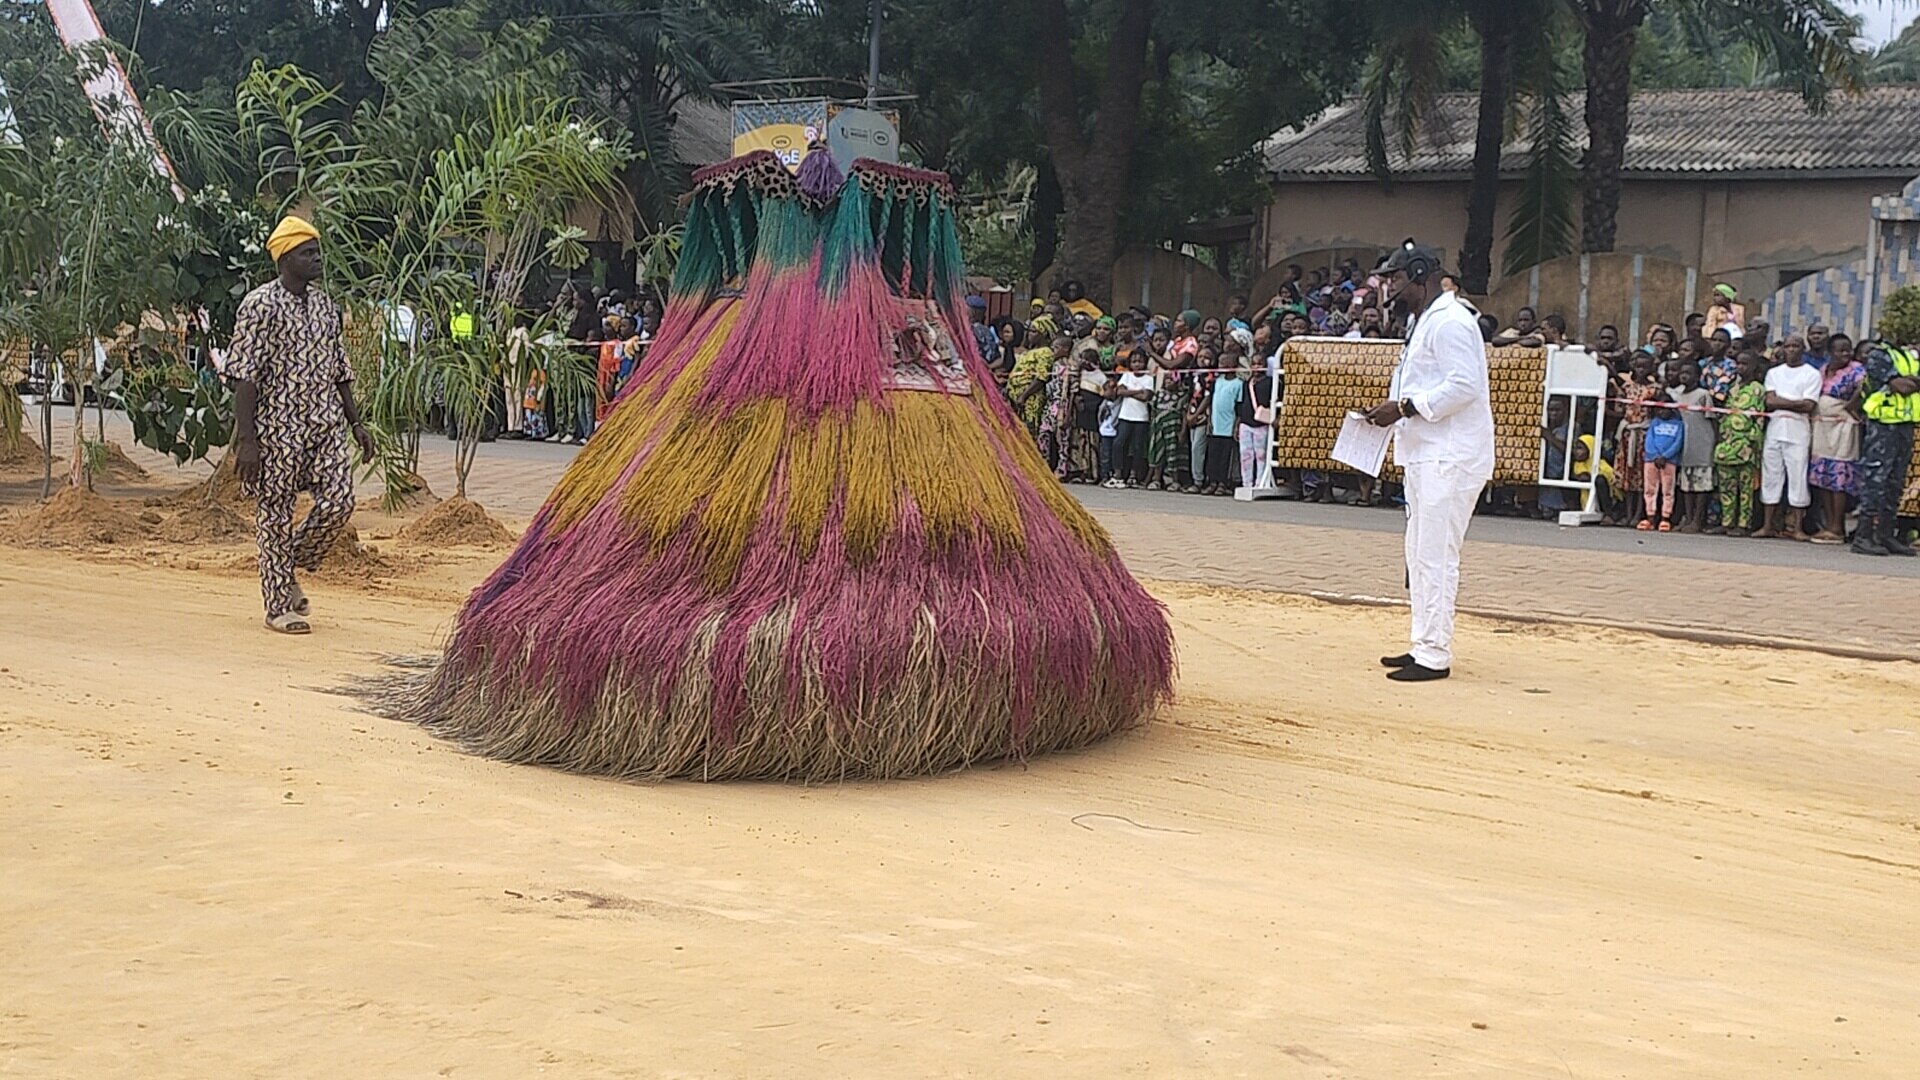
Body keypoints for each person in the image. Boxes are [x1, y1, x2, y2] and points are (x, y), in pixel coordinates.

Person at [228, 216, 376, 635]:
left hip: (325, 425)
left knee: (339, 501)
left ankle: (285, 563)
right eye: (307, 253)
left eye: (317, 252)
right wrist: (248, 440)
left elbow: (340, 369)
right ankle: (278, 607)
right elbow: (243, 377)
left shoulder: (326, 306)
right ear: (285, 258)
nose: (316, 260)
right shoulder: (259, 306)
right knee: (274, 513)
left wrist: (356, 423)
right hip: (276, 428)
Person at [1366, 241, 1494, 683]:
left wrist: (1403, 408)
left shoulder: (1452, 322)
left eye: (1395, 280)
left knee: (1437, 555)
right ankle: (1423, 643)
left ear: (1419, 276)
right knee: (1419, 553)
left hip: (1450, 456)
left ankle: (1435, 655)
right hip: (1426, 453)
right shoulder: (1426, 321)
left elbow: (1464, 386)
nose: (1390, 289)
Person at [1853, 335, 1920, 556]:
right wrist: (1909, 381)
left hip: (1905, 425)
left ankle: (1885, 535)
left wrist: (1911, 381)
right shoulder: (1879, 355)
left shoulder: (1908, 358)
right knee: (1875, 481)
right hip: (1883, 426)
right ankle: (1863, 537)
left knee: (1895, 482)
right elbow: (1901, 386)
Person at [1754, 334, 1820, 540]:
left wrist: (1783, 402)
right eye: (1788, 346)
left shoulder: (1812, 374)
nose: (1791, 350)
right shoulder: (1774, 373)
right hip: (1775, 431)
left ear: (1803, 349)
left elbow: (1808, 405)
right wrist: (1794, 404)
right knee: (1771, 476)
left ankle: (1797, 527)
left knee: (1798, 477)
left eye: (1795, 346)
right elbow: (1770, 402)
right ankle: (1768, 525)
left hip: (1798, 432)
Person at [1807, 334, 1864, 544]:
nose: (1845, 354)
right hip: (1823, 425)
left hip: (1842, 426)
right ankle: (1829, 525)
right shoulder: (1824, 369)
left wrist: (1850, 407)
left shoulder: (1856, 369)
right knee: (1823, 473)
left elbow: (1863, 388)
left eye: (1848, 349)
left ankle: (1837, 526)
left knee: (1839, 475)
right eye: (1840, 350)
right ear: (1831, 352)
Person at [1712, 350, 1767, 536]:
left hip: (1746, 446)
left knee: (1745, 489)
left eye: (1745, 364)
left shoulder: (1757, 388)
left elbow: (1759, 418)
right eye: (1739, 363)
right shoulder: (1731, 387)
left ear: (1754, 367)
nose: (1741, 367)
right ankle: (1726, 522)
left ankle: (1743, 524)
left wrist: (1754, 443)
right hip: (1726, 443)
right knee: (1727, 487)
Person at [1667, 362, 1716, 533]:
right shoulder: (1677, 396)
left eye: (1688, 373)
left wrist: (1714, 443)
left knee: (1702, 485)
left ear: (1697, 376)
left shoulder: (1703, 395)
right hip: (1685, 446)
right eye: (1682, 372)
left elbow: (1712, 419)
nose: (1684, 376)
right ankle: (1688, 518)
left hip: (1702, 444)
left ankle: (1698, 519)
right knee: (1686, 485)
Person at [1612, 350, 1660, 527]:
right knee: (1627, 475)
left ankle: (1640, 513)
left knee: (1642, 476)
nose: (1640, 370)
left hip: (1645, 435)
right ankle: (1628, 512)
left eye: (1644, 367)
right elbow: (1619, 409)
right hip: (1627, 434)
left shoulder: (1654, 390)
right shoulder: (1626, 388)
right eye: (1637, 366)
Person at [1639, 396, 1684, 532]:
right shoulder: (1655, 423)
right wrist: (1654, 456)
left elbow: (1678, 442)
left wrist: (1665, 456)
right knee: (1650, 488)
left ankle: (1665, 517)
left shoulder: (1678, 424)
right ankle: (1650, 516)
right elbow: (1649, 441)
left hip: (1669, 461)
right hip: (1652, 460)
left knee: (1667, 490)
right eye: (1659, 409)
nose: (1662, 412)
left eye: (1665, 409)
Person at [1110, 349, 1154, 487]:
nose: (1137, 364)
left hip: (1141, 417)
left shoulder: (1148, 378)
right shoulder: (1127, 376)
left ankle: (1134, 475)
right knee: (1118, 443)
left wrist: (1129, 392)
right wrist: (1137, 391)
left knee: (1137, 447)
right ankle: (1118, 474)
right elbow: (1120, 391)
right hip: (1125, 416)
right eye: (1134, 361)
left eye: (1140, 361)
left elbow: (1145, 397)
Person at [1204, 352, 1245, 495]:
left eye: (1223, 364)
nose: (1219, 366)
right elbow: (1211, 402)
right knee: (1213, 456)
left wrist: (1236, 426)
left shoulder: (1239, 384)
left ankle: (1223, 483)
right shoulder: (1217, 381)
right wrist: (1209, 420)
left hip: (1228, 427)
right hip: (1215, 425)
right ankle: (1212, 482)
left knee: (1225, 457)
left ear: (1232, 366)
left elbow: (1239, 407)